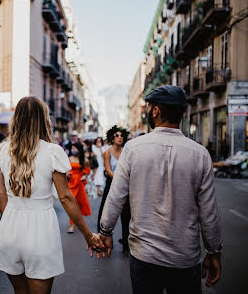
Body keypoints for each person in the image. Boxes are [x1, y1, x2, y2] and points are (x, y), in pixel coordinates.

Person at [98, 86, 223, 294]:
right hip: (185, 257)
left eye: (149, 108)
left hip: (145, 255)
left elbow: (115, 198)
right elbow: (209, 212)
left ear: (155, 111)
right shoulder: (200, 155)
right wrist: (214, 251)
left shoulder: (133, 149)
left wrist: (105, 232)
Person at [0, 97, 101, 294]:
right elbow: (65, 197)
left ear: (16, 119)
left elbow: (0, 194)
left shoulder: (1, 151)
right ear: (44, 120)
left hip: (10, 227)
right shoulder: (52, 152)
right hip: (41, 230)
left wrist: (10, 221)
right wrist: (87, 235)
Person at [97, 125, 130, 254]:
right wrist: (120, 177)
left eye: (121, 135)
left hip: (125, 184)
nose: (119, 137)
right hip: (111, 184)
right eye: (117, 135)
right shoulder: (107, 152)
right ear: (112, 137)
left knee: (126, 214)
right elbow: (108, 169)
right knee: (104, 211)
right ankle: (102, 240)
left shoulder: (126, 151)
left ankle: (126, 245)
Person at [67, 142, 92, 233]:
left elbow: (87, 170)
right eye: (72, 148)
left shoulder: (84, 160)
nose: (73, 150)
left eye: (75, 148)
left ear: (79, 149)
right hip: (71, 183)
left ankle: (77, 222)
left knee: (79, 204)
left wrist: (85, 176)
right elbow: (66, 169)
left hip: (80, 183)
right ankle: (72, 225)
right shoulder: (69, 158)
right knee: (71, 205)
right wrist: (67, 174)